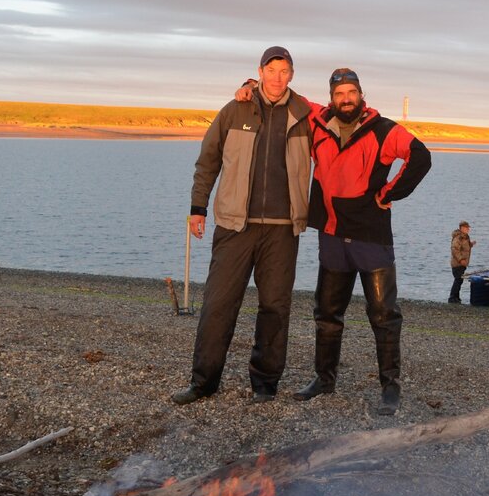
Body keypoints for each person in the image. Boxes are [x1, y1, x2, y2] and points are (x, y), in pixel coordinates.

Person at [171, 46, 314, 406]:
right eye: (271, 70)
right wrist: (198, 207)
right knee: (218, 304)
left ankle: (265, 384)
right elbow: (208, 160)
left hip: (283, 229)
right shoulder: (235, 109)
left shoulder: (305, 114)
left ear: (292, 75)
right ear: (260, 72)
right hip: (236, 225)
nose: (278, 77)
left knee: (275, 308)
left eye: (285, 71)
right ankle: (203, 382)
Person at [293, 68, 432, 416]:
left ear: (361, 94)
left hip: (372, 237)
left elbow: (421, 156)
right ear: (331, 97)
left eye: (351, 92)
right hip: (332, 236)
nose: (346, 99)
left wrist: (390, 192)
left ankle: (390, 388)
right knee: (327, 313)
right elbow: (286, 96)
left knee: (384, 315)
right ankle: (324, 380)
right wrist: (252, 85)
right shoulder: (318, 122)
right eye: (339, 94)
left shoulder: (383, 129)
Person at [449, 221, 474, 303]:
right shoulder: (458, 237)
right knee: (458, 279)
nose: (468, 229)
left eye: (468, 227)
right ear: (462, 228)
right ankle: (452, 297)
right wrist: (461, 260)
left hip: (463, 263)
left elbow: (464, 246)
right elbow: (455, 250)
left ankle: (456, 297)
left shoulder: (465, 237)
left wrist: (471, 244)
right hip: (457, 263)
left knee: (459, 280)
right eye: (467, 228)